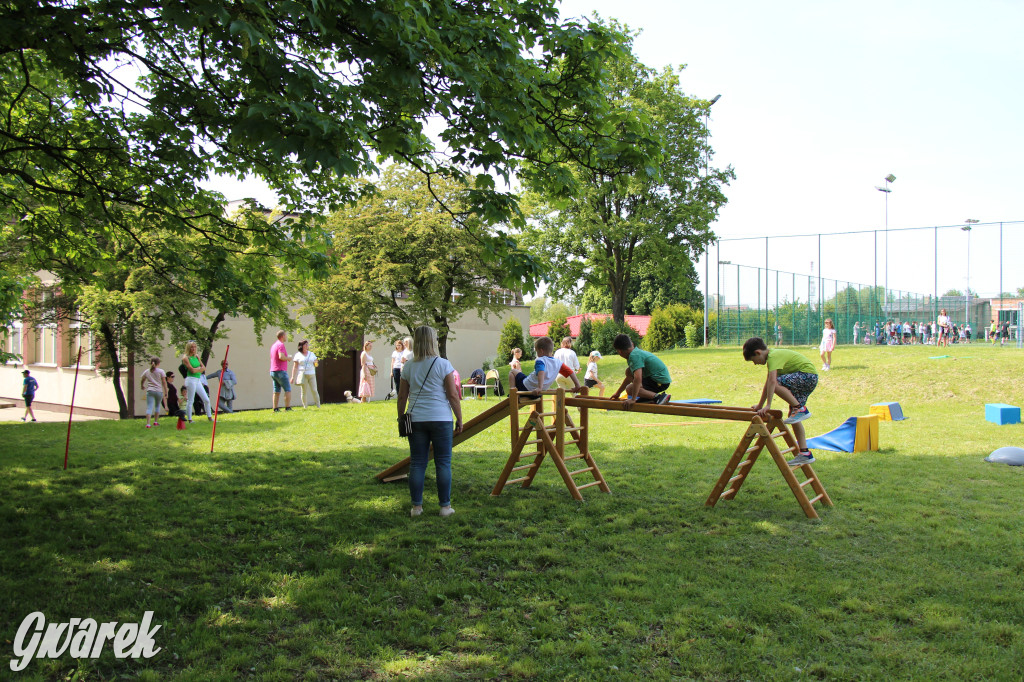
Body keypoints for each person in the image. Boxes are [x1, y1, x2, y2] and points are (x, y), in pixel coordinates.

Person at [398, 325, 463, 519]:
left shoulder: (408, 366)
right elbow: (452, 395)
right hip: (441, 418)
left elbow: (402, 397)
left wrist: (401, 418)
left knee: (417, 463)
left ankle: (416, 508)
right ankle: (445, 507)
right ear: (433, 341)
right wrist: (459, 418)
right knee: (443, 462)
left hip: (416, 419)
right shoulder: (443, 364)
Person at [742, 337, 818, 466]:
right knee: (793, 417)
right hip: (807, 377)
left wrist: (768, 405)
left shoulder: (773, 356)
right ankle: (805, 453)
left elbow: (773, 383)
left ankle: (799, 408)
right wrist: (760, 405)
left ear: (758, 352)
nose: (755, 364)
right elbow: (768, 384)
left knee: (777, 383)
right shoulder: (772, 359)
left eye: (753, 360)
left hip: (807, 376)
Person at [610, 334, 671, 405]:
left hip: (660, 382)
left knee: (629, 389)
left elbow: (637, 378)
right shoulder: (635, 352)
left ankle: (658, 397)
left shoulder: (634, 356)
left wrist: (633, 399)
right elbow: (629, 378)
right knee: (629, 371)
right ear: (631, 344)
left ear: (620, 351)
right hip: (657, 379)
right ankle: (648, 397)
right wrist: (617, 393)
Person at [509, 336, 581, 397]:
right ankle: (514, 391)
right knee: (522, 375)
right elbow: (570, 372)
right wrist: (577, 385)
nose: (537, 354)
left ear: (541, 351)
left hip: (525, 387)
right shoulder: (558, 363)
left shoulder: (540, 360)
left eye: (537, 352)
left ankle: (512, 392)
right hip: (539, 394)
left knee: (512, 372)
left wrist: (539, 387)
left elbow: (541, 372)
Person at [181, 340, 212, 422]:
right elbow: (192, 370)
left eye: (194, 347)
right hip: (190, 380)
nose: (193, 349)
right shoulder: (186, 358)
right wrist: (199, 369)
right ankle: (190, 419)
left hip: (198, 380)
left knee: (206, 399)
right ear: (188, 348)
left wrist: (198, 369)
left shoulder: (197, 356)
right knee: (191, 400)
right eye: (192, 347)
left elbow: (204, 368)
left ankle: (210, 417)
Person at [291, 340, 321, 408]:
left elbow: (316, 363)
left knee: (314, 390)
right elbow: (295, 367)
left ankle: (318, 405)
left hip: (311, 374)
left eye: (307, 345)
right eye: (305, 345)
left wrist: (315, 363)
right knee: (303, 391)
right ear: (302, 346)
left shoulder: (311, 354)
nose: (307, 346)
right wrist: (293, 377)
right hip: (303, 374)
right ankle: (305, 406)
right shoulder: (298, 355)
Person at [139, 357, 167, 428]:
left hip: (150, 391)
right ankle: (155, 422)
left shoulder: (147, 371)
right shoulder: (161, 371)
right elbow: (164, 382)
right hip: (159, 391)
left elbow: (142, 379)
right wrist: (166, 391)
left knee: (149, 407)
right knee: (157, 406)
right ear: (158, 363)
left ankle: (148, 424)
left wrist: (142, 386)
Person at [269, 330, 292, 412]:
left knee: (276, 390)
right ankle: (288, 407)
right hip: (280, 371)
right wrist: (288, 358)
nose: (286, 337)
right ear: (282, 336)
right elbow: (281, 356)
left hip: (273, 371)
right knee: (288, 389)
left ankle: (275, 408)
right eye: (285, 335)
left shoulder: (274, 345)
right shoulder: (280, 345)